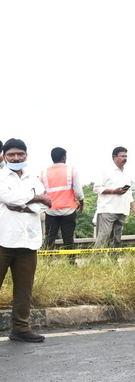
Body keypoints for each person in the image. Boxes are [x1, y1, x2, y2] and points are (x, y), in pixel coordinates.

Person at [0, 139, 52, 341]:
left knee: (24, 289)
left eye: (20, 154)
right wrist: (36, 198)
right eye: (11, 154)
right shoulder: (1, 177)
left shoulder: (34, 178)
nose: (16, 158)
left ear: (26, 155)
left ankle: (21, 329)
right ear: (4, 156)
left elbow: (46, 204)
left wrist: (24, 203)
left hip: (29, 241)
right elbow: (9, 198)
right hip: (3, 239)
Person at [40, 146, 83, 251]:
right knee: (68, 238)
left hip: (51, 210)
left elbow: (41, 192)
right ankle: (71, 259)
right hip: (68, 210)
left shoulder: (43, 173)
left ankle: (47, 258)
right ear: (64, 157)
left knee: (49, 237)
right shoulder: (72, 170)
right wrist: (81, 204)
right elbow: (78, 192)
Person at [95, 146, 135, 248]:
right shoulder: (106, 170)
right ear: (114, 157)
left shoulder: (126, 173)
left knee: (116, 239)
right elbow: (97, 188)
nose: (125, 158)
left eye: (126, 156)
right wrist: (114, 191)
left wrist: (133, 206)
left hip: (122, 210)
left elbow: (128, 192)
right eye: (122, 156)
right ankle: (96, 257)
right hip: (107, 209)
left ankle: (114, 258)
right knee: (103, 237)